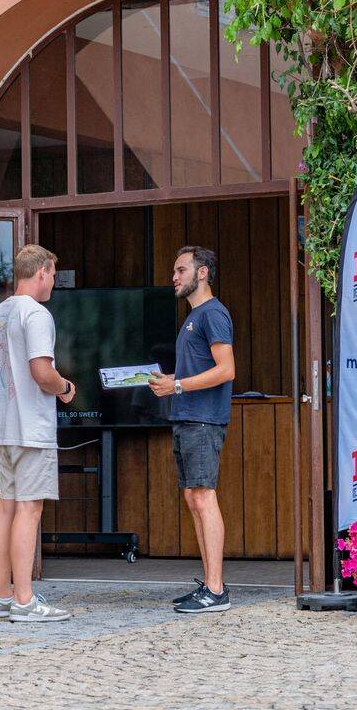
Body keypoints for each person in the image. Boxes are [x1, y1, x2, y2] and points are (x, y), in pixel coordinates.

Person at [0, 244, 76, 622]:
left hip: (2, 428)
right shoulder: (36, 314)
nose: (53, 281)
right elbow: (41, 371)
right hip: (31, 429)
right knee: (29, 509)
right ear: (41, 272)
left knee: (7, 507)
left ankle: (2, 596)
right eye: (52, 274)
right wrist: (65, 388)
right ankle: (24, 601)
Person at [150, 246, 235, 613]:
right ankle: (210, 584)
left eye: (181, 269)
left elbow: (226, 370)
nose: (174, 277)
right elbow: (198, 371)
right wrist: (170, 381)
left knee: (203, 496)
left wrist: (178, 386)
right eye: (174, 271)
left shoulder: (212, 313)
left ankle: (216, 590)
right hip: (187, 417)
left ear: (202, 273)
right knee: (193, 497)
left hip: (203, 419)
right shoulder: (195, 317)